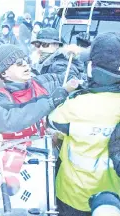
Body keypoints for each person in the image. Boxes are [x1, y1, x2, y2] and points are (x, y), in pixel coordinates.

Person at [47, 32, 120, 216]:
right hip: (113, 200)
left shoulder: (76, 105)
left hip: (73, 197)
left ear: (91, 70)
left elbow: (51, 121)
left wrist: (65, 92)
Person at [0, 44, 79, 137]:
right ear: (4, 73)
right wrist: (51, 102)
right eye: (19, 63)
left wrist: (75, 58)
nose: (25, 64)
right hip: (20, 149)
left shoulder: (44, 82)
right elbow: (6, 122)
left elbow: (73, 78)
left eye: (26, 60)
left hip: (48, 148)